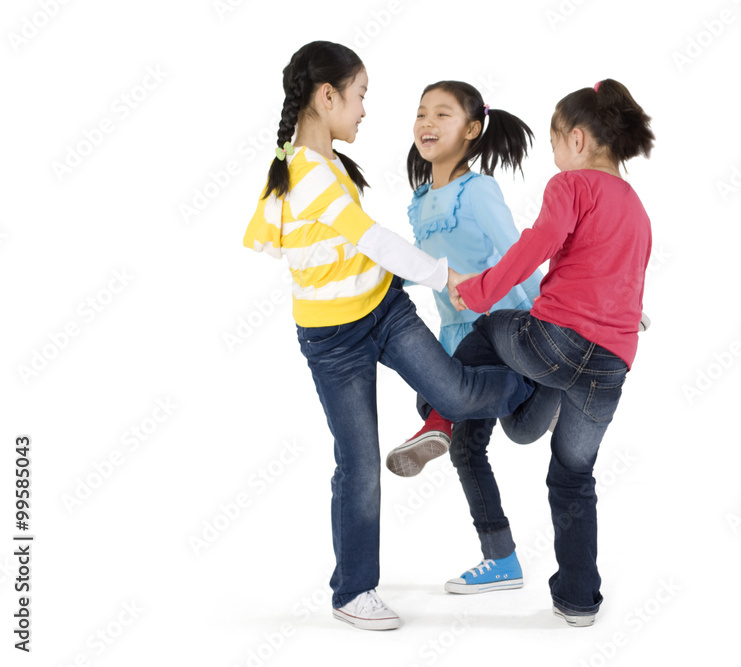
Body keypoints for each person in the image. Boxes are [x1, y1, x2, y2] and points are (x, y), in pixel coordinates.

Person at [241, 41, 535, 631]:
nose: (365, 111)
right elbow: (373, 240)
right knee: (358, 462)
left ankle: (536, 377)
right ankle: (354, 591)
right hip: (332, 342)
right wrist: (448, 275)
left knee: (452, 394)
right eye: (360, 96)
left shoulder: (328, 169)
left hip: (384, 309)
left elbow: (356, 249)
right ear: (327, 98)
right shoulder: (306, 174)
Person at [433, 78, 655, 625]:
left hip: (553, 339)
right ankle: (579, 603)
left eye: (555, 141)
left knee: (492, 326)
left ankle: (440, 412)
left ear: (577, 140)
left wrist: (479, 289)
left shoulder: (571, 185)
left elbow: (535, 245)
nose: (554, 155)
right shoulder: (638, 210)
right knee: (572, 476)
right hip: (610, 363)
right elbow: (622, 279)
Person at [385, 80, 544, 487]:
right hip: (454, 327)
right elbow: (425, 265)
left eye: (442, 113)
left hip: (499, 324)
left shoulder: (477, 191)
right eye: (421, 113)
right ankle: (500, 552)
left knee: (450, 399)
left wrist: (553, 311)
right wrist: (381, 279)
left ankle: (543, 381)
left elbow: (517, 255)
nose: (426, 122)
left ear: (472, 130)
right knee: (463, 448)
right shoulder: (420, 202)